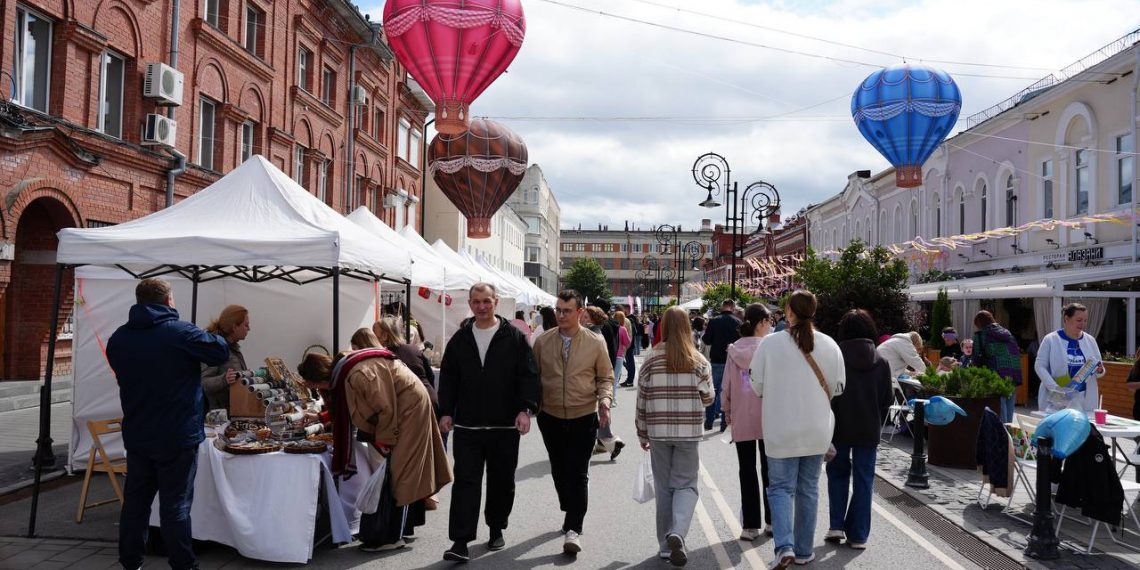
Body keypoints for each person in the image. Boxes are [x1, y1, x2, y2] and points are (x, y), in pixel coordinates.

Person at [106, 278, 231, 570]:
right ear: (168, 301)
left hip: (138, 434)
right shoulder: (180, 332)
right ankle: (183, 564)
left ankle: (131, 561)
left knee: (136, 504)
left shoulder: (119, 338)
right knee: (175, 505)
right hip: (177, 434)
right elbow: (220, 351)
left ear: (138, 302)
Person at [298, 346, 451, 553]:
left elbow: (384, 408)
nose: (319, 390)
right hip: (406, 406)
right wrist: (323, 417)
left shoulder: (356, 375)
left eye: (315, 385)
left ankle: (391, 536)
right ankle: (398, 529)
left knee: (400, 472)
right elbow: (358, 405)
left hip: (408, 410)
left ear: (321, 378)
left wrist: (385, 442)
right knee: (400, 472)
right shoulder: (346, 370)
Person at [437, 283, 541, 561]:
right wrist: (446, 412)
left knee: (501, 480)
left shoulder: (515, 337)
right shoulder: (460, 339)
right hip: (468, 425)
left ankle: (496, 527)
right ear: (470, 304)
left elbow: (528, 376)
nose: (481, 307)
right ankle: (460, 541)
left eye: (486, 301)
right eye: (476, 302)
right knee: (465, 483)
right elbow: (448, 378)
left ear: (496, 302)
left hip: (504, 425)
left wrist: (525, 410)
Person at [749, 290, 845, 569]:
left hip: (781, 428)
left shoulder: (770, 344)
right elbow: (839, 387)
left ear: (789, 312)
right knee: (809, 489)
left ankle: (785, 546)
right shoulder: (829, 344)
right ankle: (803, 549)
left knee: (780, 488)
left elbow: (757, 385)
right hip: (816, 429)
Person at [532, 289, 614, 555]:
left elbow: (605, 376)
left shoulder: (594, 341)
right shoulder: (543, 341)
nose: (561, 315)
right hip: (550, 415)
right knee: (559, 469)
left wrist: (604, 400)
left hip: (583, 415)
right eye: (558, 310)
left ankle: (574, 528)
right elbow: (533, 377)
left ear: (580, 312)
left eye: (567, 310)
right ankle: (570, 507)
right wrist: (528, 407)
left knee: (578, 472)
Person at [635, 307, 713, 567]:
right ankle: (678, 531)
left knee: (664, 487)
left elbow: (642, 400)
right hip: (689, 432)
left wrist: (641, 431)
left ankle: (665, 545)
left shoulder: (650, 359)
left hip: (658, 431)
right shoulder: (699, 361)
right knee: (686, 485)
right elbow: (708, 397)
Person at [826, 309, 893, 550]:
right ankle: (859, 534)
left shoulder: (835, 357)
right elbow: (888, 399)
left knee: (837, 474)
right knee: (864, 480)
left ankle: (836, 524)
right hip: (868, 428)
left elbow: (828, 394)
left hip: (839, 426)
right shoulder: (881, 362)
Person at [721, 303, 773, 541]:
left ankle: (750, 525)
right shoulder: (770, 348)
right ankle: (772, 521)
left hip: (742, 416)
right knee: (770, 470)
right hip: (768, 416)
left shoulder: (734, 350)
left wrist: (728, 412)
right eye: (769, 321)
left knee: (747, 470)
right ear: (761, 322)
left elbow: (727, 385)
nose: (770, 326)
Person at [1034, 303, 1105, 414]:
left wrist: (1100, 370)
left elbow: (1099, 368)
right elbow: (1039, 366)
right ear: (1067, 318)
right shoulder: (1051, 339)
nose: (1083, 324)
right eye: (1079, 320)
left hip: (1084, 398)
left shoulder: (1090, 340)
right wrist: (1055, 388)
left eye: (1085, 320)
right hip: (1057, 397)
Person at [582, 306, 626, 458]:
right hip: (600, 378)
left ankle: (610, 441)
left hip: (595, 380)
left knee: (596, 414)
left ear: (594, 318)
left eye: (586, 317)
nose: (583, 319)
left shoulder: (593, 334)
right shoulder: (602, 330)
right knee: (601, 413)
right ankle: (605, 442)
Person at [971, 310, 1023, 422]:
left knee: (999, 413)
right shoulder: (1008, 333)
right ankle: (1009, 436)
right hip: (1013, 376)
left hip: (995, 376)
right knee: (1009, 415)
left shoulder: (980, 336)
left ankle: (1003, 437)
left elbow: (976, 359)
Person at [701, 299, 742, 432]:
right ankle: (724, 422)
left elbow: (706, 340)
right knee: (728, 392)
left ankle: (709, 420)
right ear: (733, 307)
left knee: (713, 390)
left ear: (722, 306)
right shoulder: (737, 322)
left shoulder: (714, 321)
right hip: (732, 361)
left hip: (717, 360)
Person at [200, 304, 250, 412]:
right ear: (234, 327)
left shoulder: (233, 348)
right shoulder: (214, 348)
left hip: (234, 411)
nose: (249, 329)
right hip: (219, 418)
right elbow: (203, 383)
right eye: (246, 325)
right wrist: (224, 379)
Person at [613, 311, 633, 388]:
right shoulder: (622, 329)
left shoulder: (609, 327)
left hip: (610, 354)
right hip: (619, 355)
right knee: (616, 377)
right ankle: (613, 397)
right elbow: (627, 342)